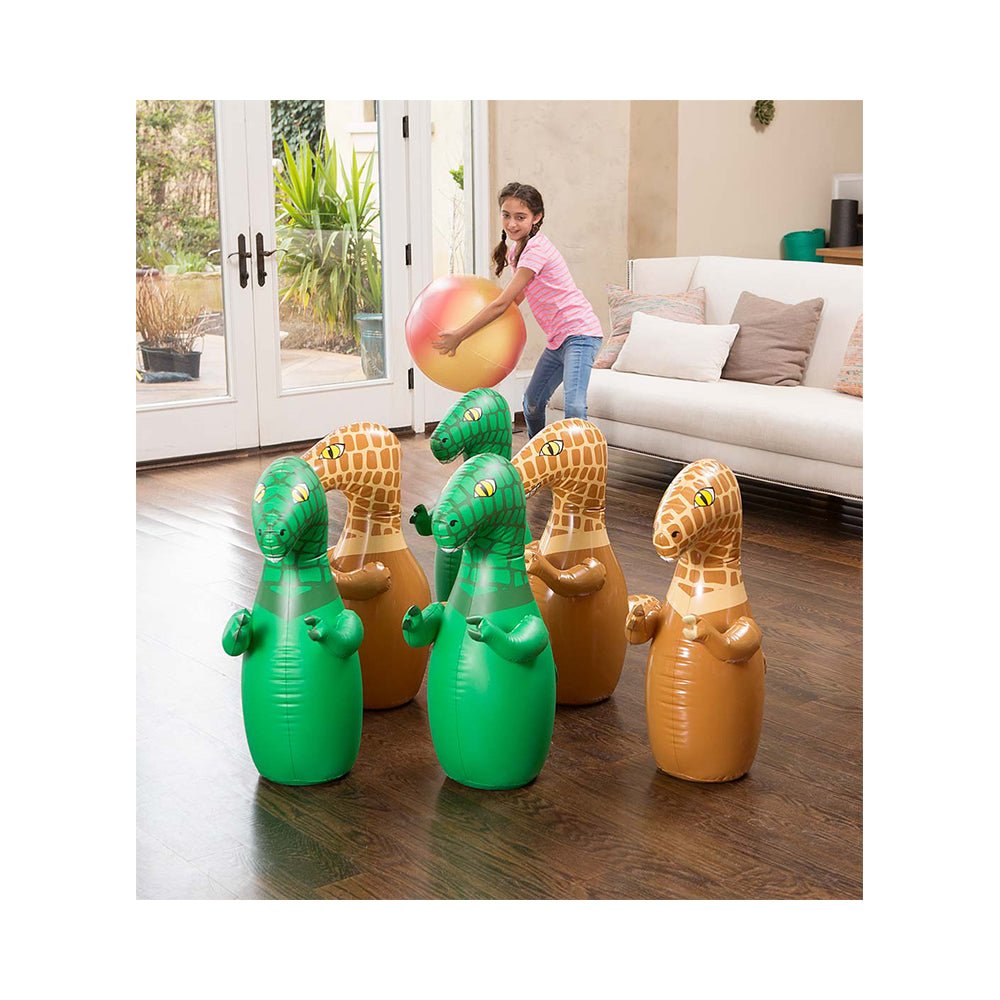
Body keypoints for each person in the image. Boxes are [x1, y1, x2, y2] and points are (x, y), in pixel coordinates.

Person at [432, 181, 604, 439]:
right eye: (506, 215)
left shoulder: (536, 250)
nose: (511, 224)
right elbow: (516, 299)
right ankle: (540, 455)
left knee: (574, 407)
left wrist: (460, 334)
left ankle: (581, 460)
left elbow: (503, 303)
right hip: (558, 339)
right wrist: (483, 330)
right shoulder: (517, 251)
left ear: (537, 217)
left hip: (580, 335)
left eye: (520, 217)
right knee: (532, 403)